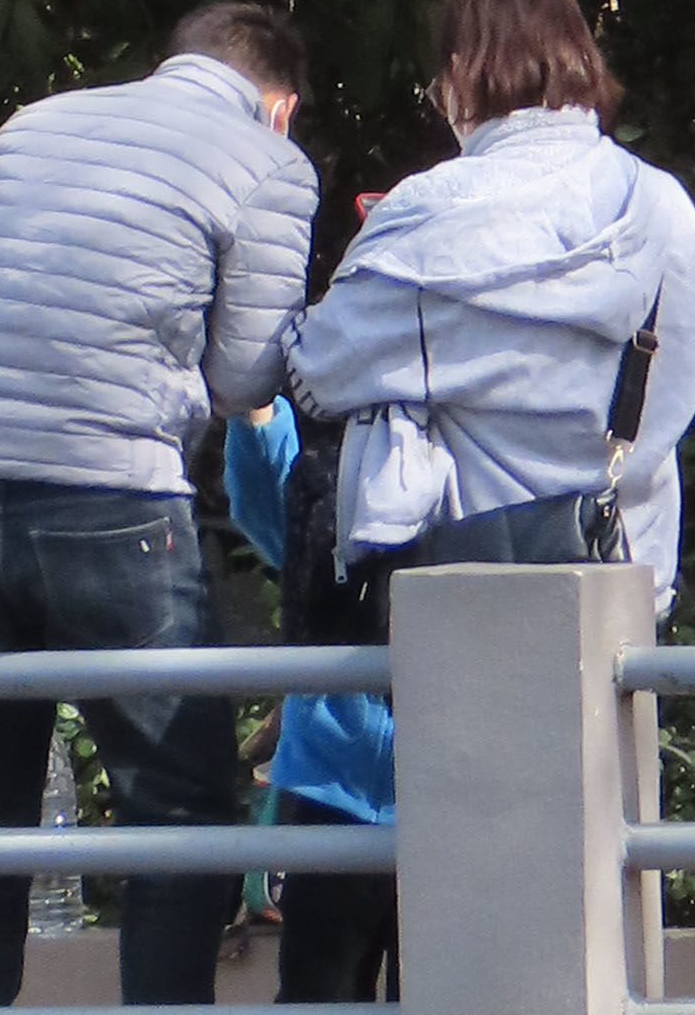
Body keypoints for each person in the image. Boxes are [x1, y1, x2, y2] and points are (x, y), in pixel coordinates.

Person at [0, 0, 321, 1011]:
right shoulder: (267, 160)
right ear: (279, 103)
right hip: (110, 496)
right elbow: (242, 375)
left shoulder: (31, 123)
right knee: (183, 812)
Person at [287, 0, 695, 596]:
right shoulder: (661, 206)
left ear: (461, 72)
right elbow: (694, 352)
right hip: (625, 575)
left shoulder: (426, 212)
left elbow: (317, 371)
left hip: (465, 585)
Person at [223, 398, 400, 1002]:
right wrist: (257, 412)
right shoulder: (339, 467)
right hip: (330, 791)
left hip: (458, 797)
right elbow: (277, 514)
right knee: (315, 995)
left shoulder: (489, 463)